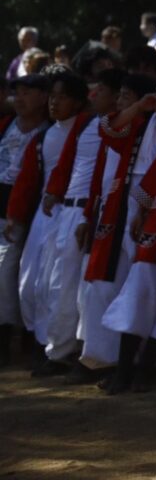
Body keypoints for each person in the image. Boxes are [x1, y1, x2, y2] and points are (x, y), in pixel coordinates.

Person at [99, 74, 156, 394]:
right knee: (133, 284)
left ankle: (143, 367)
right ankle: (122, 366)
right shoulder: (141, 124)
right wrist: (140, 105)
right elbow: (109, 129)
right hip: (134, 206)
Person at [5, 71, 91, 371]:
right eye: (52, 97)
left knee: (58, 286)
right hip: (45, 215)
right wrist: (15, 216)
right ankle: (41, 341)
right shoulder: (44, 136)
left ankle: (58, 349)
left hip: (71, 212)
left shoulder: (86, 131)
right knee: (31, 284)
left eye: (62, 97)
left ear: (79, 102)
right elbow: (27, 179)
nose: (55, 102)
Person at [41, 70, 123, 372]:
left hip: (88, 211)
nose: (94, 95)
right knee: (56, 284)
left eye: (101, 90)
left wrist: (90, 214)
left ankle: (73, 353)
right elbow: (69, 161)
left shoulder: (118, 127)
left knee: (78, 289)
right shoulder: (87, 123)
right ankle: (60, 349)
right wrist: (53, 191)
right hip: (68, 209)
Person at [76, 73, 156, 374]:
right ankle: (101, 357)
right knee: (101, 286)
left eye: (126, 96)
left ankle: (130, 362)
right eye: (120, 96)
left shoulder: (150, 126)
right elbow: (109, 129)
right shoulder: (130, 123)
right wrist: (89, 214)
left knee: (132, 286)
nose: (120, 102)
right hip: (112, 210)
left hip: (140, 210)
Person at [0, 75, 50, 366]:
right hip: (4, 209)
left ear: (44, 97)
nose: (20, 98)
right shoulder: (5, 126)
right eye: (17, 92)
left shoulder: (49, 133)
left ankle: (11, 335)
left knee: (9, 273)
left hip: (29, 215)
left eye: (27, 93)